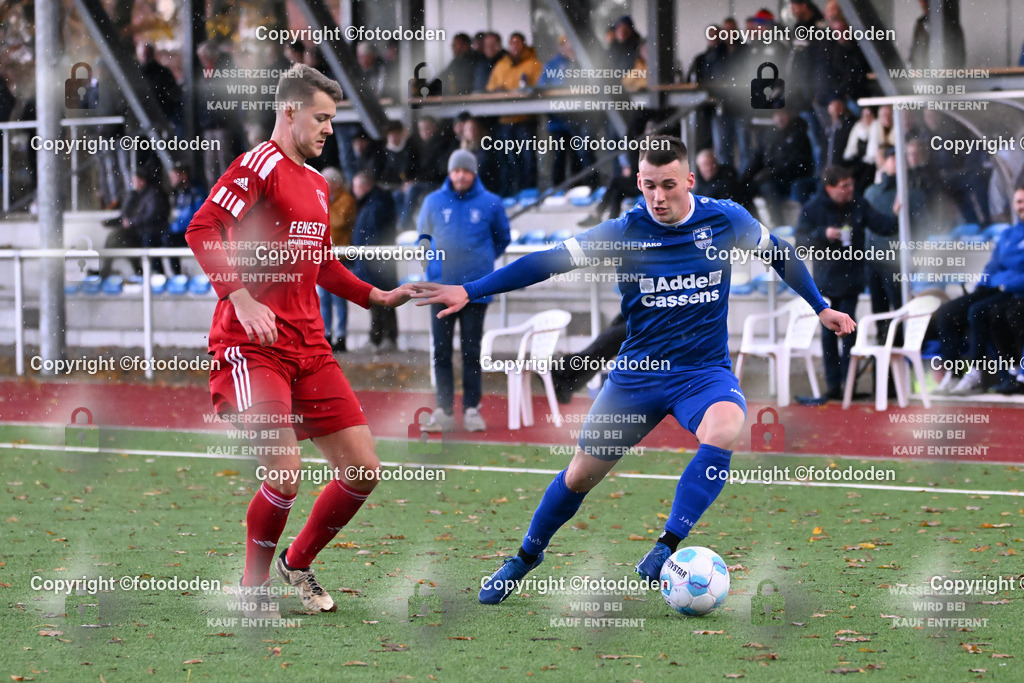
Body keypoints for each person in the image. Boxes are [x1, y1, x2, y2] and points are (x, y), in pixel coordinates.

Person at [411, 136, 854, 603]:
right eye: (648, 186)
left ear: (689, 180)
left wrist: (820, 307)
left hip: (701, 372)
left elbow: (779, 252)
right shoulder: (625, 230)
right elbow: (546, 262)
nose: (658, 197)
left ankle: (667, 546)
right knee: (580, 475)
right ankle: (524, 557)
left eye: (668, 185)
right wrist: (472, 289)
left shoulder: (725, 219)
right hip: (637, 376)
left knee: (725, 426)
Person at [185, 64, 414, 618]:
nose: (329, 129)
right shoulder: (257, 165)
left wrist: (373, 298)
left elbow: (321, 262)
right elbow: (201, 228)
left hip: (309, 349)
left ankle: (296, 562)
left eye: (332, 119)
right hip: (252, 347)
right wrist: (239, 296)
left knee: (363, 471)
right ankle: (253, 586)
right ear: (289, 110)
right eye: (322, 117)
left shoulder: (316, 182)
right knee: (284, 476)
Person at [416, 150, 511, 432]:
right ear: (449, 172)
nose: (460, 175)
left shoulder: (491, 202)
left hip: (476, 290)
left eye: (465, 171)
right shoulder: (433, 201)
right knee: (441, 352)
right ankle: (443, 411)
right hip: (440, 289)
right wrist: (432, 269)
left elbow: (502, 238)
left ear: (474, 173)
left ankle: (471, 409)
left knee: (472, 350)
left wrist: (480, 265)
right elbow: (422, 238)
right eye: (456, 170)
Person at [796, 165, 899, 401]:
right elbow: (800, 240)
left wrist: (897, 214)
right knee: (828, 335)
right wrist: (823, 234)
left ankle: (848, 384)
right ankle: (834, 385)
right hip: (825, 281)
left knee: (849, 332)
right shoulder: (812, 209)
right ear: (830, 188)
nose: (850, 189)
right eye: (844, 186)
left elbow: (884, 226)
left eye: (851, 184)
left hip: (851, 279)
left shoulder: (858, 204)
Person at [927, 186, 1024, 394]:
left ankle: (977, 371)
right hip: (991, 287)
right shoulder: (1008, 233)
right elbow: (993, 265)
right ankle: (952, 374)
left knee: (978, 311)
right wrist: (985, 282)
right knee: (946, 313)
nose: (1021, 206)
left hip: (1012, 291)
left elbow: (1016, 269)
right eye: (1018, 201)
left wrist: (1006, 281)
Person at [350, 170, 401, 352]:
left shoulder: (376, 203)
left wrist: (367, 256)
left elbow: (371, 235)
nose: (353, 190)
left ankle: (385, 337)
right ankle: (379, 337)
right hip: (374, 262)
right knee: (378, 301)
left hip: (377, 263)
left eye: (355, 186)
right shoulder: (373, 202)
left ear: (364, 186)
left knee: (384, 300)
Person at [99, 163, 170, 278]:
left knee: (118, 237)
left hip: (148, 231)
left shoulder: (153, 194)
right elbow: (124, 216)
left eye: (135, 180)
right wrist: (109, 222)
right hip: (137, 231)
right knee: (114, 238)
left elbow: (152, 215)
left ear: (142, 181)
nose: (132, 183)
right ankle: (107, 272)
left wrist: (132, 222)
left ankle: (148, 272)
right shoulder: (134, 195)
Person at [318, 168, 358, 352]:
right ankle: (326, 334)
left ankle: (340, 336)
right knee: (324, 299)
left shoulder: (346, 200)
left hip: (340, 258)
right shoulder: (324, 200)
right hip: (322, 258)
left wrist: (325, 207)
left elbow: (338, 222)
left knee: (338, 300)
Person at [165, 163, 207, 276]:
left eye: (174, 177)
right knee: (166, 238)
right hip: (179, 232)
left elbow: (199, 216)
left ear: (183, 176)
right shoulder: (176, 194)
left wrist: (180, 225)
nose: (171, 180)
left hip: (193, 232)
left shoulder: (197, 192)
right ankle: (176, 276)